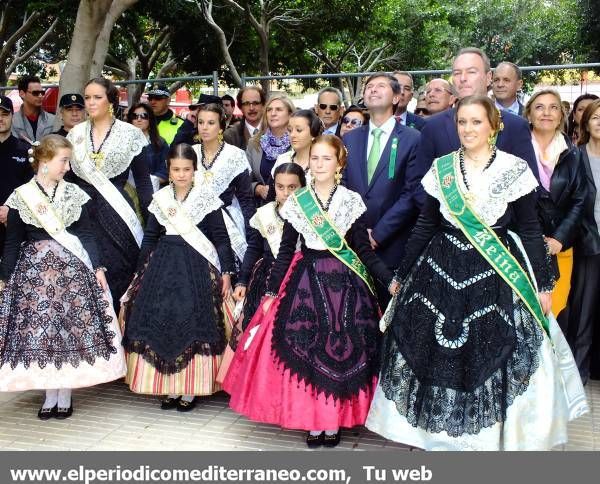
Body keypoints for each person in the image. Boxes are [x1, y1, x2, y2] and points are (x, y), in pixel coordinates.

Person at [366, 95, 588, 450]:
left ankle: (489, 438)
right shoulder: (442, 169)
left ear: (493, 126)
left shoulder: (514, 168)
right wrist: (402, 273)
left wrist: (543, 283)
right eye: (462, 122)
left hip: (496, 271)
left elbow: (530, 229)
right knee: (436, 353)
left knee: (494, 350)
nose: (468, 129)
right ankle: (439, 437)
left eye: (476, 122)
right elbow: (425, 226)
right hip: (440, 266)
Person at [224, 135, 395, 448]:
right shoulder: (298, 201)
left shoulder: (350, 200)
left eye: (326, 158)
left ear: (339, 164)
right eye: (314, 158)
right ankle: (314, 421)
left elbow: (364, 251)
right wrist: (273, 291)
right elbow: (287, 250)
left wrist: (389, 280)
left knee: (342, 355)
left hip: (346, 284)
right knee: (307, 351)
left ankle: (334, 422)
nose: (318, 164)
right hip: (304, 281)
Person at [0, 135, 126, 419]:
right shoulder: (22, 196)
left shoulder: (74, 194)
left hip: (72, 272)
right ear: (44, 162)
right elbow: (12, 242)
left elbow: (87, 234)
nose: (67, 168)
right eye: (63, 161)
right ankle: (49, 393)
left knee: (69, 331)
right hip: (36, 276)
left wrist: (98, 267)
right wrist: (4, 277)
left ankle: (65, 393)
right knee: (44, 333)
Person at [120, 143, 234, 410]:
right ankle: (169, 386)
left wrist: (227, 271)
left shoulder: (206, 198)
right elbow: (150, 237)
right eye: (176, 169)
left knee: (193, 320)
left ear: (195, 170)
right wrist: (139, 272)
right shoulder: (161, 198)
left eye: (187, 169)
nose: (181, 174)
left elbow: (221, 240)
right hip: (163, 264)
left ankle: (191, 388)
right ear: (168, 171)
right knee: (164, 319)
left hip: (196, 266)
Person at [66, 77, 153, 311]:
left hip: (119, 216)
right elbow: (66, 180)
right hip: (83, 216)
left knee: (120, 274)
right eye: (87, 98)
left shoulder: (130, 134)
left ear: (111, 100)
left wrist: (153, 222)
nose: (91, 103)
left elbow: (144, 183)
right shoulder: (75, 135)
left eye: (97, 97)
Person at [343, 72, 421, 303]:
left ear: (397, 98)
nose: (373, 89)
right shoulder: (350, 139)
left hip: (392, 244)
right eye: (369, 87)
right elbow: (344, 187)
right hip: (353, 243)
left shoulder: (412, 138)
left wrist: (378, 234)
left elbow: (411, 194)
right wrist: (357, 231)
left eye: (381, 86)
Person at [415, 47, 539, 186]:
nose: (463, 78)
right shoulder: (432, 127)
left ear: (488, 78)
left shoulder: (515, 126)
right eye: (457, 73)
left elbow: (530, 184)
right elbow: (419, 182)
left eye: (471, 72)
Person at [222, 162, 306, 364]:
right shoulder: (264, 213)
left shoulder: (309, 215)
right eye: (280, 187)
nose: (285, 193)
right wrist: (242, 280)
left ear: (303, 187)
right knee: (258, 327)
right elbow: (254, 248)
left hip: (300, 278)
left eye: (292, 187)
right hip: (267, 277)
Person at [525, 89, 586, 318]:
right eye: (539, 107)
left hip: (560, 246)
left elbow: (580, 200)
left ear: (561, 116)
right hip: (524, 244)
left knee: (554, 309)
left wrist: (559, 239)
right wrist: (532, 237)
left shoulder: (573, 154)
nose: (546, 113)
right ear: (529, 114)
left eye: (553, 107)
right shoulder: (515, 150)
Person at [560, 98, 600, 384]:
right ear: (585, 122)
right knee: (583, 310)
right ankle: (579, 371)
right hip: (589, 244)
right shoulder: (576, 156)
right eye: (596, 116)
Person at [191, 103, 256, 266]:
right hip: (194, 223)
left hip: (227, 224)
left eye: (211, 123)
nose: (204, 127)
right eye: (201, 122)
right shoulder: (189, 153)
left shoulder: (235, 155)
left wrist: (252, 234)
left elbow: (246, 199)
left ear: (222, 126)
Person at [246, 94, 294, 204]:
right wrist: (257, 188)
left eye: (279, 110)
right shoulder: (254, 143)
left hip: (292, 206)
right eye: (269, 110)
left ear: (290, 114)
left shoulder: (297, 142)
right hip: (263, 209)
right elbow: (243, 181)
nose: (273, 114)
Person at [0, 95, 32, 255]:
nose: (0, 119)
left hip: (15, 226)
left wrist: (12, 210)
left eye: (4, 114)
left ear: (13, 116)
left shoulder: (25, 151)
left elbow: (32, 189)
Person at [127, 103, 169, 190]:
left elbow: (165, 170)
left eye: (143, 116)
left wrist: (149, 182)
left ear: (150, 120)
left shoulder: (160, 143)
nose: (139, 119)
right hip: (125, 191)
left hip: (152, 190)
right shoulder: (122, 141)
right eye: (135, 116)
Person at [272, 109, 322, 174]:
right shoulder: (282, 160)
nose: (292, 135)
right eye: (290, 130)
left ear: (313, 133)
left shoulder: (322, 163)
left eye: (299, 130)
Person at [11, 75, 55, 143]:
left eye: (42, 93)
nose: (40, 96)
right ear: (22, 94)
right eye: (36, 93)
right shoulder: (12, 121)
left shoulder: (52, 120)